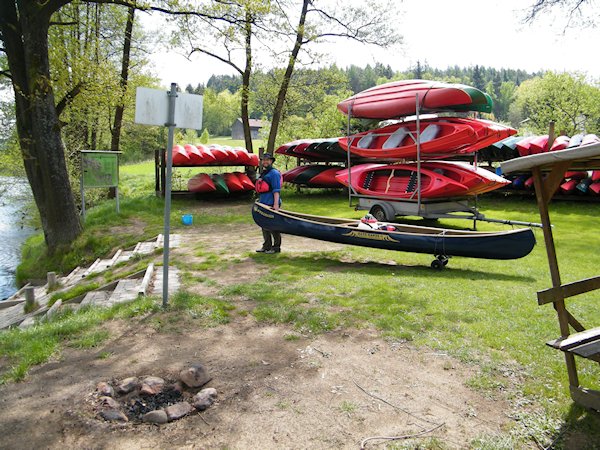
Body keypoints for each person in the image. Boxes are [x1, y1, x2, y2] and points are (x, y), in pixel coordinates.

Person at [255, 153, 282, 254]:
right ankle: (266, 246)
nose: (265, 162)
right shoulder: (265, 173)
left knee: (273, 226)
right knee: (263, 225)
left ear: (271, 161)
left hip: (271, 204)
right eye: (263, 160)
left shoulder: (274, 173)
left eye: (267, 160)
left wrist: (276, 205)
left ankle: (276, 248)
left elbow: (276, 190)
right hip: (263, 203)